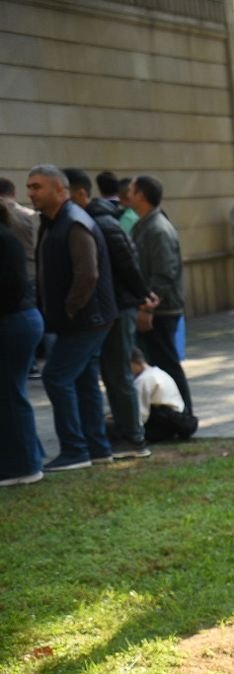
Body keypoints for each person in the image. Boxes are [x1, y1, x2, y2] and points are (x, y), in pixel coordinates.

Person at [27, 165, 116, 472]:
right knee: (84, 379)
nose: (31, 192)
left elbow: (87, 274)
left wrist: (68, 308)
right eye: (30, 186)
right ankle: (97, 447)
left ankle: (75, 449)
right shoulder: (52, 223)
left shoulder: (74, 222)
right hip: (82, 318)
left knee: (55, 376)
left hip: (86, 319)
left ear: (60, 190)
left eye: (38, 187)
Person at [65, 168, 151, 460]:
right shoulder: (87, 220)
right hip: (109, 307)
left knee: (117, 372)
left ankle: (134, 437)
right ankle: (124, 432)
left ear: (79, 193)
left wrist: (141, 297)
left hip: (118, 307)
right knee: (111, 372)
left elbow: (127, 264)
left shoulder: (101, 222)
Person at [126, 174, 196, 420]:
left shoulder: (157, 229)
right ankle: (169, 415)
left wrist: (147, 309)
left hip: (161, 311)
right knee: (159, 363)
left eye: (132, 191)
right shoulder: (145, 224)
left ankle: (183, 416)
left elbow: (164, 275)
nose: (128, 195)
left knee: (167, 363)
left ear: (141, 195)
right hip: (154, 309)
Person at [0, 197, 45, 486]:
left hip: (13, 322)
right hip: (19, 320)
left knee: (9, 394)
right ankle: (28, 459)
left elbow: (10, 288)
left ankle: (24, 466)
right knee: (11, 393)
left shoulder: (4, 239)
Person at [129, 347, 196, 442]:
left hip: (162, 424)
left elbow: (141, 414)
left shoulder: (143, 380)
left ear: (135, 363)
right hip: (177, 417)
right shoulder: (158, 372)